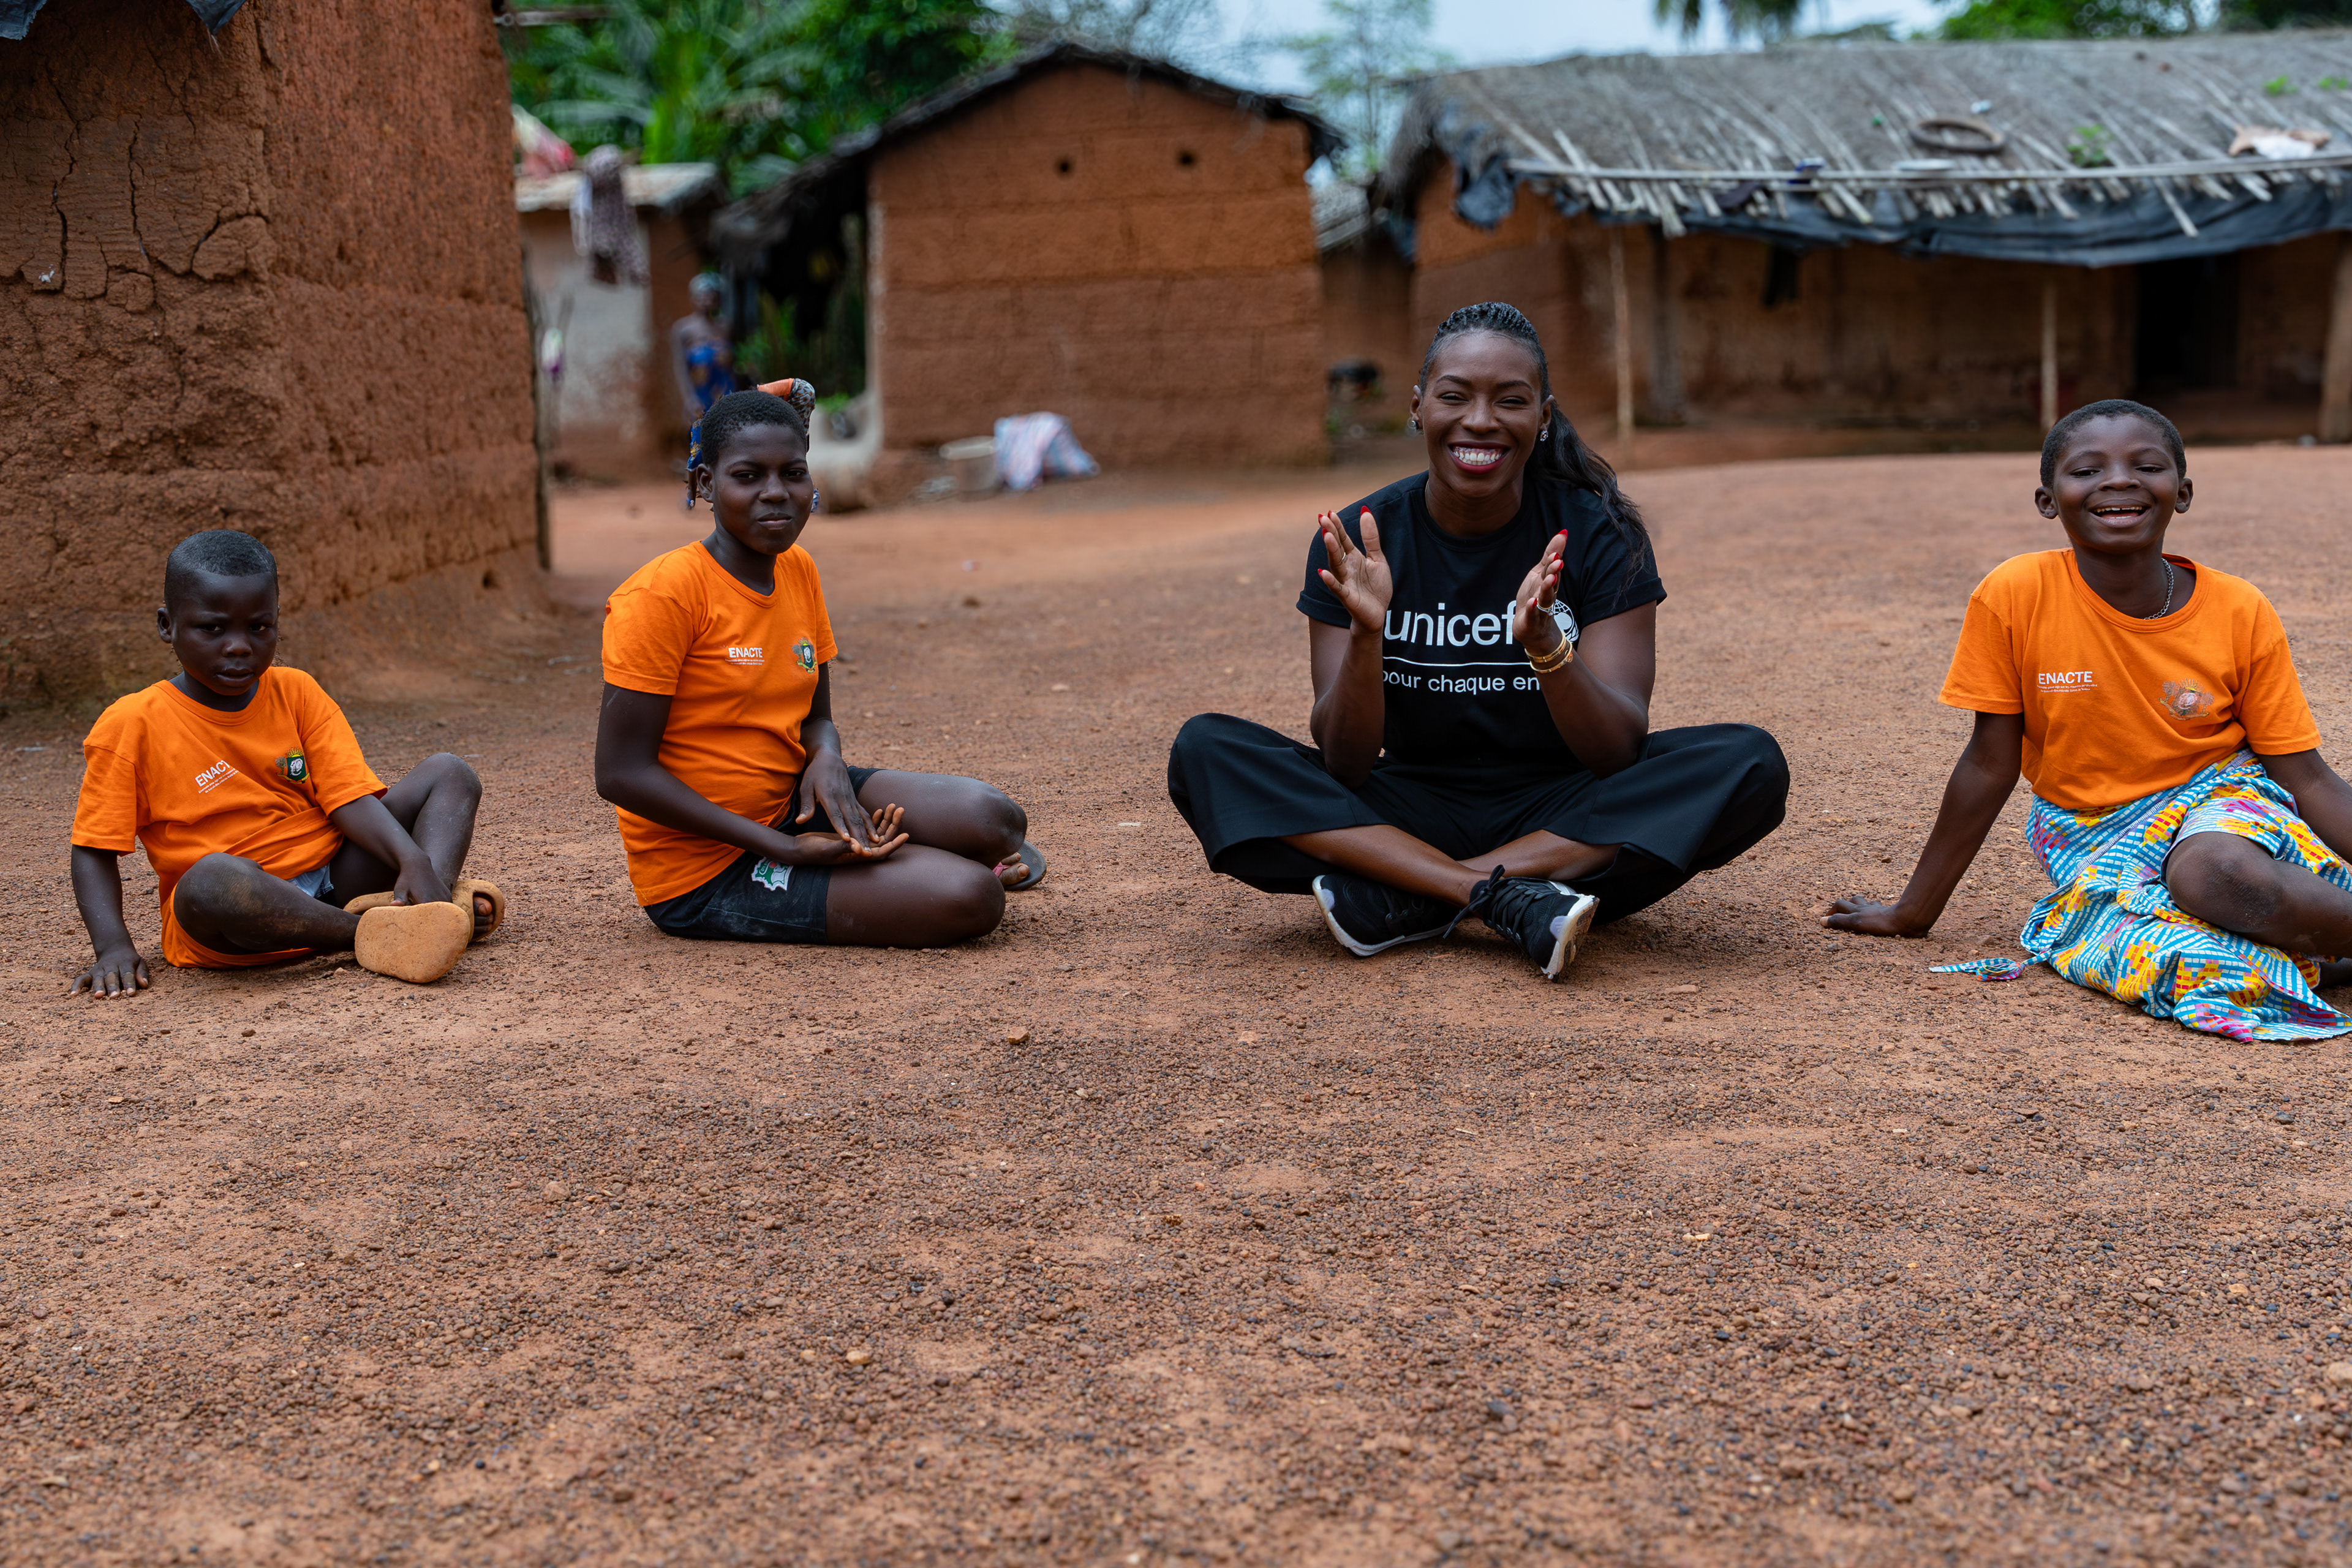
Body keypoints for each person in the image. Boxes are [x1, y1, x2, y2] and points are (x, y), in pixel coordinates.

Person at [1167, 302, 1789, 981]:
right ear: (1418, 406)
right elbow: (1345, 762)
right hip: (1403, 807)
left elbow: (1616, 750)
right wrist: (1367, 637)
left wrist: (1549, 649)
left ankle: (1413, 893)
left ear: (1544, 418)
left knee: (1747, 763)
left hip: (1564, 813)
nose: (1481, 420)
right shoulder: (1360, 538)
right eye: (1455, 396)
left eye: (1511, 401)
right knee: (1207, 750)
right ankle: (1502, 900)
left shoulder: (1597, 532)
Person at [1828, 399, 2352, 1040]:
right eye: (2087, 470)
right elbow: (1991, 763)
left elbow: (2309, 776)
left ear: (2181, 493)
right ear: (2049, 501)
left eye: (2146, 465)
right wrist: (1912, 911)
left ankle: (2318, 935)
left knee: (2214, 874)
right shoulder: (2014, 595)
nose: (2119, 480)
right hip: (2093, 834)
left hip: (2227, 804)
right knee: (2202, 967)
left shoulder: (2239, 609)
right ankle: (2321, 950)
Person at [595, 383, 1044, 948]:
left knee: (995, 820)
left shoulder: (797, 568)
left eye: (794, 473)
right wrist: (779, 846)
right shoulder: (662, 596)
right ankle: (926, 869)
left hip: (797, 804)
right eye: (748, 475)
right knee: (970, 898)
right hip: (711, 869)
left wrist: (827, 759)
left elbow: (816, 716)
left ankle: (931, 860)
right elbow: (619, 773)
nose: (776, 493)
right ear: (706, 484)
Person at [69, 531, 502, 995]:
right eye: (212, 628)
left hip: (335, 876)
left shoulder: (296, 691)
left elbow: (348, 799)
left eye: (259, 627)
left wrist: (412, 859)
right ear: (166, 625)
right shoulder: (131, 724)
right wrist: (112, 946)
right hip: (238, 918)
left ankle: (425, 901)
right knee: (211, 878)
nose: (239, 646)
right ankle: (375, 933)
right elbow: (94, 849)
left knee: (450, 772)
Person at [669, 273, 737, 425]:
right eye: (700, 296)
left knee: (729, 439)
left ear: (718, 299)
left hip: (726, 395)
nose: (705, 300)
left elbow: (731, 366)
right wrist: (689, 399)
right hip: (699, 396)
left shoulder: (726, 327)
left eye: (710, 296)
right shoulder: (683, 329)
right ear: (692, 298)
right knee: (701, 441)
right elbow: (680, 367)